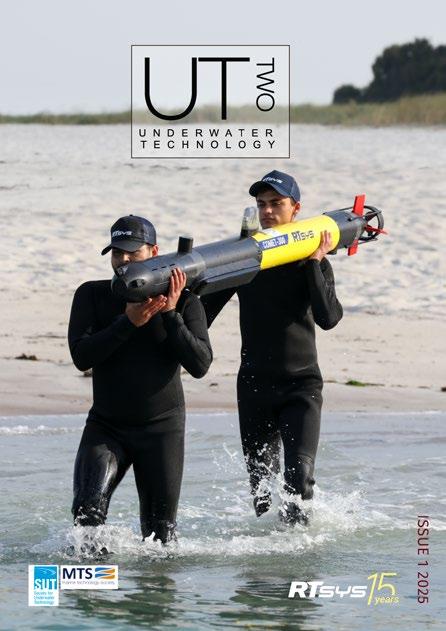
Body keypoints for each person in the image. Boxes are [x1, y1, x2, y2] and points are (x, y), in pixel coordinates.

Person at [202, 171, 343, 525]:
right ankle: (269, 557)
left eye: (276, 203)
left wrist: (315, 264)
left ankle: (299, 552)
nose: (267, 211)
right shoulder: (246, 259)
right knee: (262, 493)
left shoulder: (313, 261)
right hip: (254, 387)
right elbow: (203, 315)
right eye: (261, 204)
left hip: (301, 387)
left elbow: (329, 318)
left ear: (296, 209)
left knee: (299, 480)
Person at [68, 215, 212, 544]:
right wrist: (127, 323)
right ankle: (93, 578)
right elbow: (82, 357)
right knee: (86, 515)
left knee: (160, 536)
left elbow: (200, 364)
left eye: (133, 252)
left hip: (162, 431)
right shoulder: (92, 295)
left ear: (154, 252)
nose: (124, 260)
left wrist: (170, 314)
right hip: (107, 427)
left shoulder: (185, 299)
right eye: (117, 252)